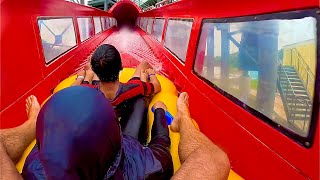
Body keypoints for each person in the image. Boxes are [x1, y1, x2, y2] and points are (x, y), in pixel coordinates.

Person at [0, 89, 230, 180]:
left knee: (140, 107)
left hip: (120, 151)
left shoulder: (33, 170)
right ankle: (170, 114)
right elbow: (214, 159)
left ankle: (32, 122)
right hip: (133, 159)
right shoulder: (149, 168)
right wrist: (184, 117)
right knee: (159, 137)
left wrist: (34, 122)